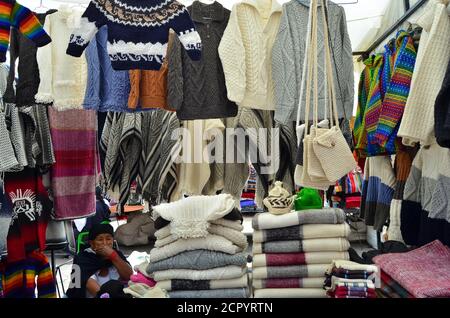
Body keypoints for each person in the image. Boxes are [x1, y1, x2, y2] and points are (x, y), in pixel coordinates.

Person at [66, 223, 133, 298]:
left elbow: (129, 276)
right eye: (100, 239)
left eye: (108, 239)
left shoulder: (116, 254)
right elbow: (88, 284)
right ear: (92, 244)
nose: (105, 243)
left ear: (113, 240)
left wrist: (114, 257)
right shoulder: (83, 258)